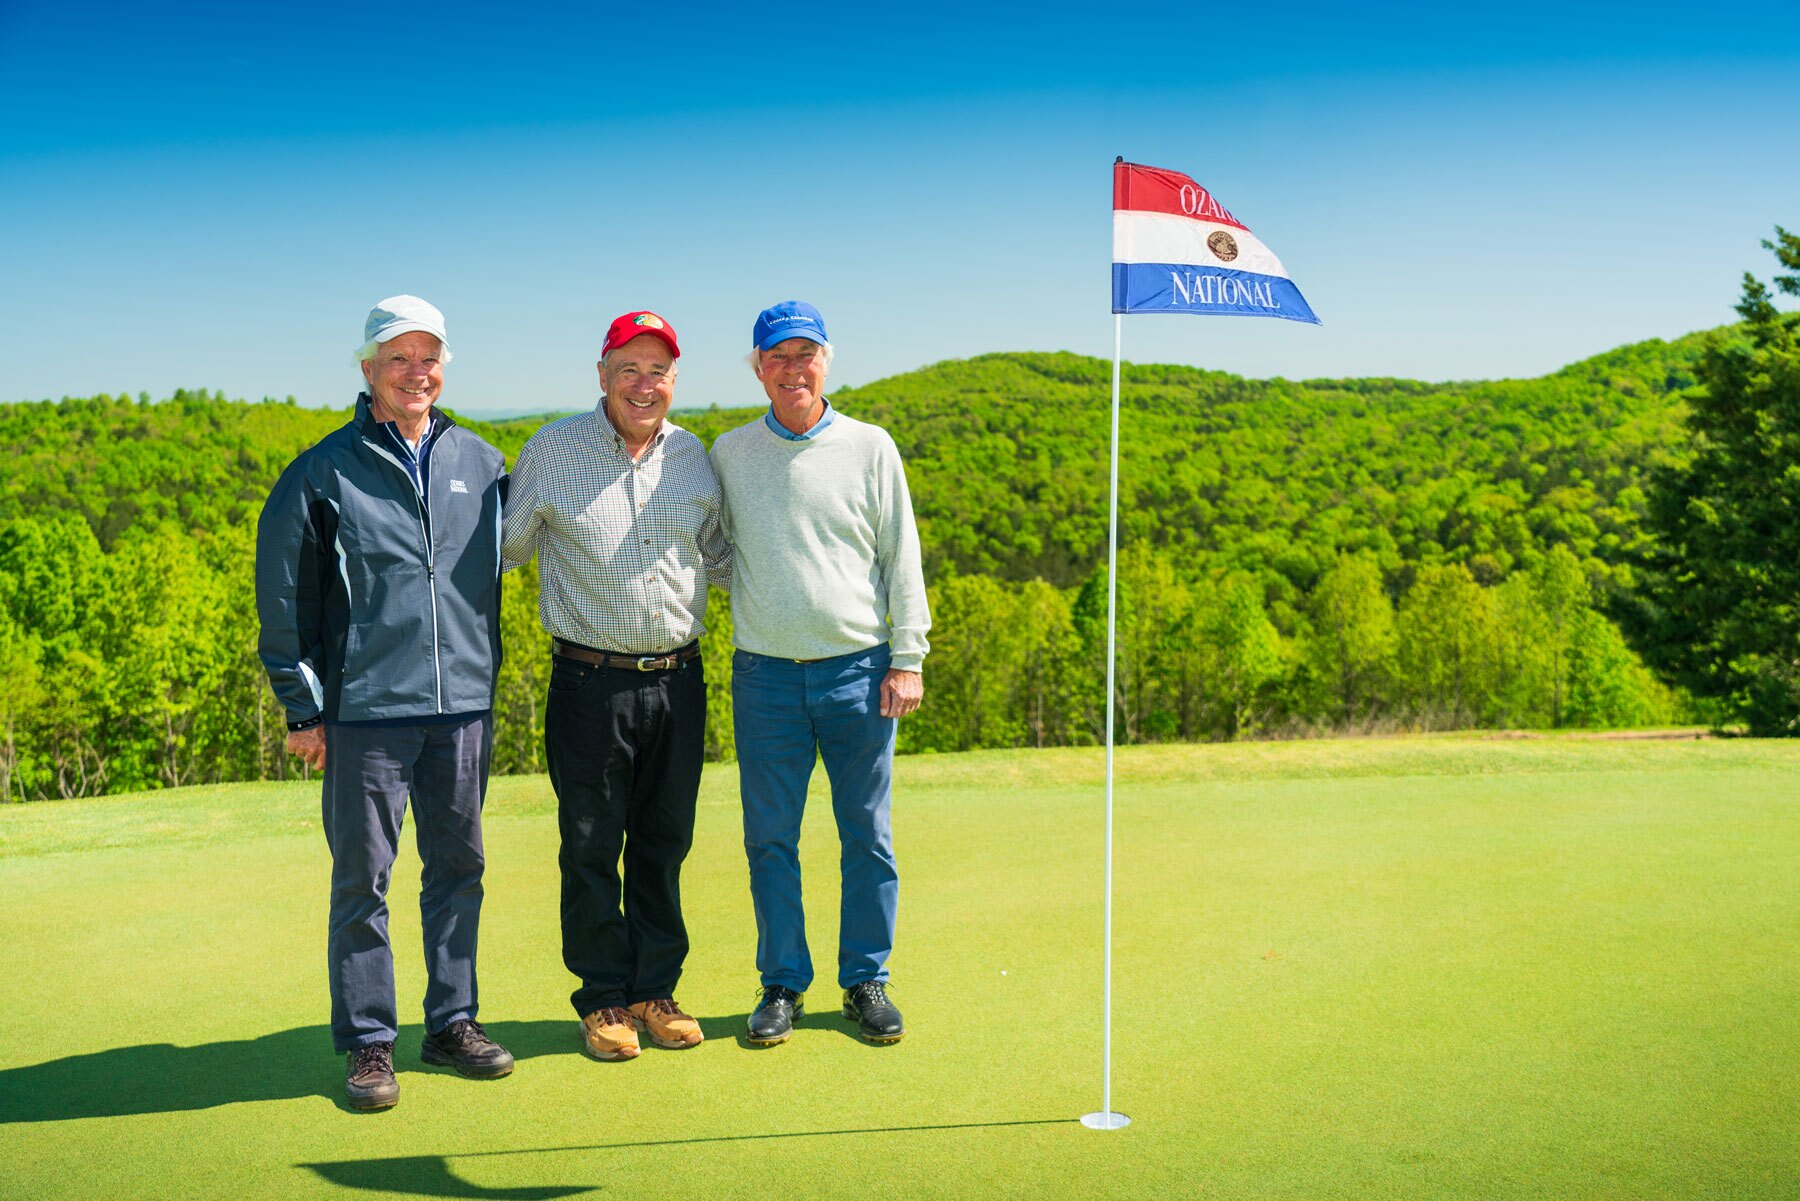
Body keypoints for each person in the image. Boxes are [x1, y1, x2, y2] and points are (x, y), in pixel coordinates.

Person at [255, 295, 513, 1111]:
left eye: (428, 356)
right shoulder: (321, 471)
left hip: (461, 707)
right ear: (367, 369)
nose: (415, 372)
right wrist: (302, 707)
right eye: (398, 357)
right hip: (365, 710)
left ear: (444, 366)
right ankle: (370, 1040)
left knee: (460, 869)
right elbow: (284, 595)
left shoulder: (484, 461)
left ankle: (453, 1022)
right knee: (362, 880)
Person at [501, 311, 730, 1062]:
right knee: (591, 845)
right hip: (589, 683)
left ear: (674, 380)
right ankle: (603, 996)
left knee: (664, 844)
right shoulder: (552, 448)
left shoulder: (693, 456)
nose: (643, 384)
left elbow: (723, 556)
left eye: (657, 370)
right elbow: (500, 550)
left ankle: (654, 990)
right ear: (602, 375)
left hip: (679, 680)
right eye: (628, 368)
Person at [709, 300, 930, 1046]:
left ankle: (866, 979)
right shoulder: (730, 452)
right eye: (777, 356)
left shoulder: (870, 446)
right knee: (769, 838)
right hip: (765, 676)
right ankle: (782, 983)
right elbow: (714, 546)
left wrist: (908, 657)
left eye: (805, 354)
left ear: (825, 362)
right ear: (758, 369)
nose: (792, 368)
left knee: (867, 835)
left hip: (860, 671)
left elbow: (901, 554)